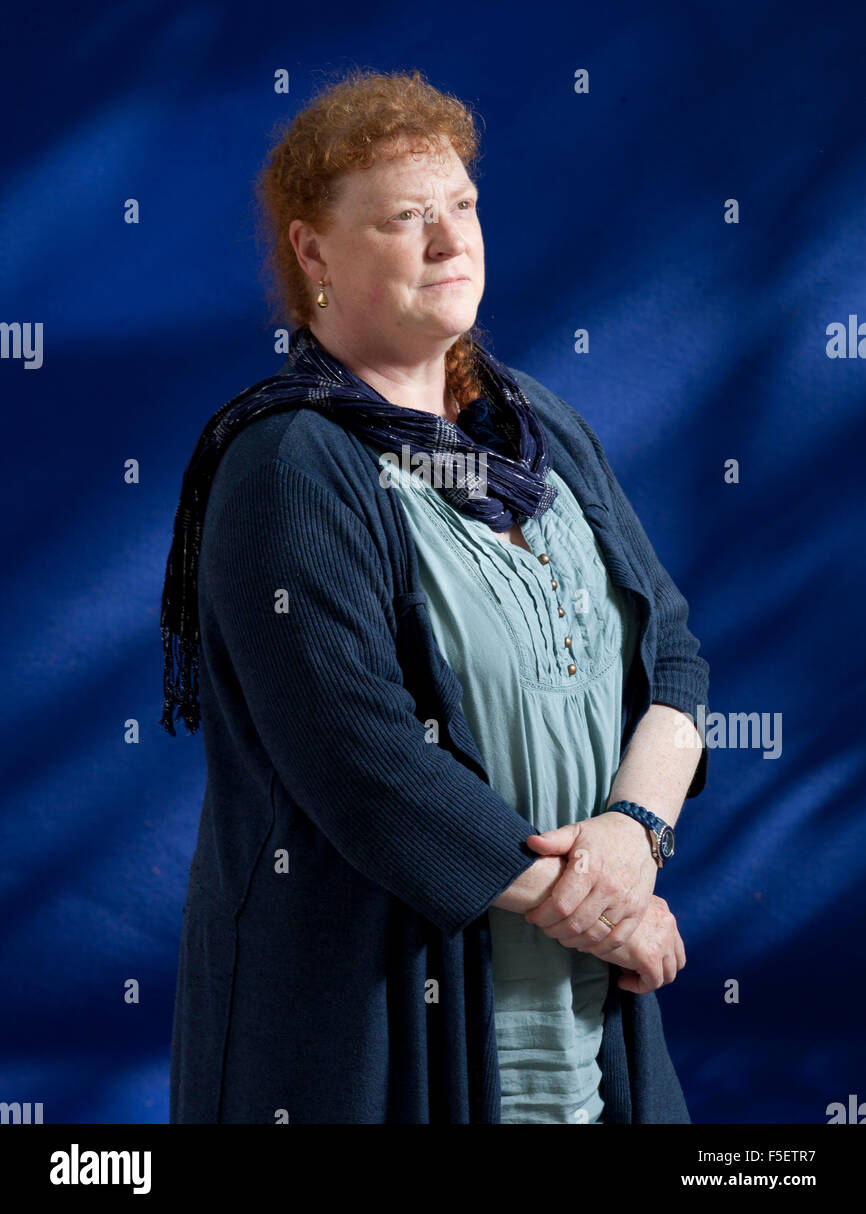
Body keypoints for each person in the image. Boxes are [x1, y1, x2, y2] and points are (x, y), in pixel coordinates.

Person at [160, 68, 709, 1125]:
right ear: (312, 253)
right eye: (406, 220)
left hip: (584, 1035)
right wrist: (607, 914)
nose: (452, 241)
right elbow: (365, 767)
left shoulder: (530, 425)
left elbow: (672, 655)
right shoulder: (289, 463)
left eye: (461, 206)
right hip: (383, 1044)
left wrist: (634, 831)